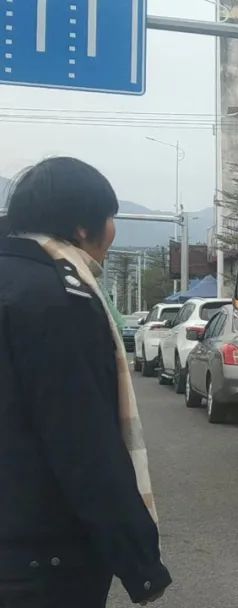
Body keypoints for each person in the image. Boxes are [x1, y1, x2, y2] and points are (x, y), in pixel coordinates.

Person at [0, 158, 171, 607]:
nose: (113, 231)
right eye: (110, 218)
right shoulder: (58, 299)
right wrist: (141, 566)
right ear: (81, 227)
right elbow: (83, 443)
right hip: (38, 561)